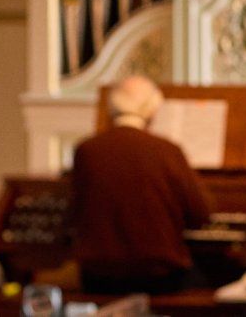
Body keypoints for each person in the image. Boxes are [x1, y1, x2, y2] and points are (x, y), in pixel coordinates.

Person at [70, 76, 212, 295]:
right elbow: (201, 214)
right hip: (160, 279)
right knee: (221, 278)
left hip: (98, 278)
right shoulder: (167, 151)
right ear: (152, 109)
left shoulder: (86, 150)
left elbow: (76, 212)